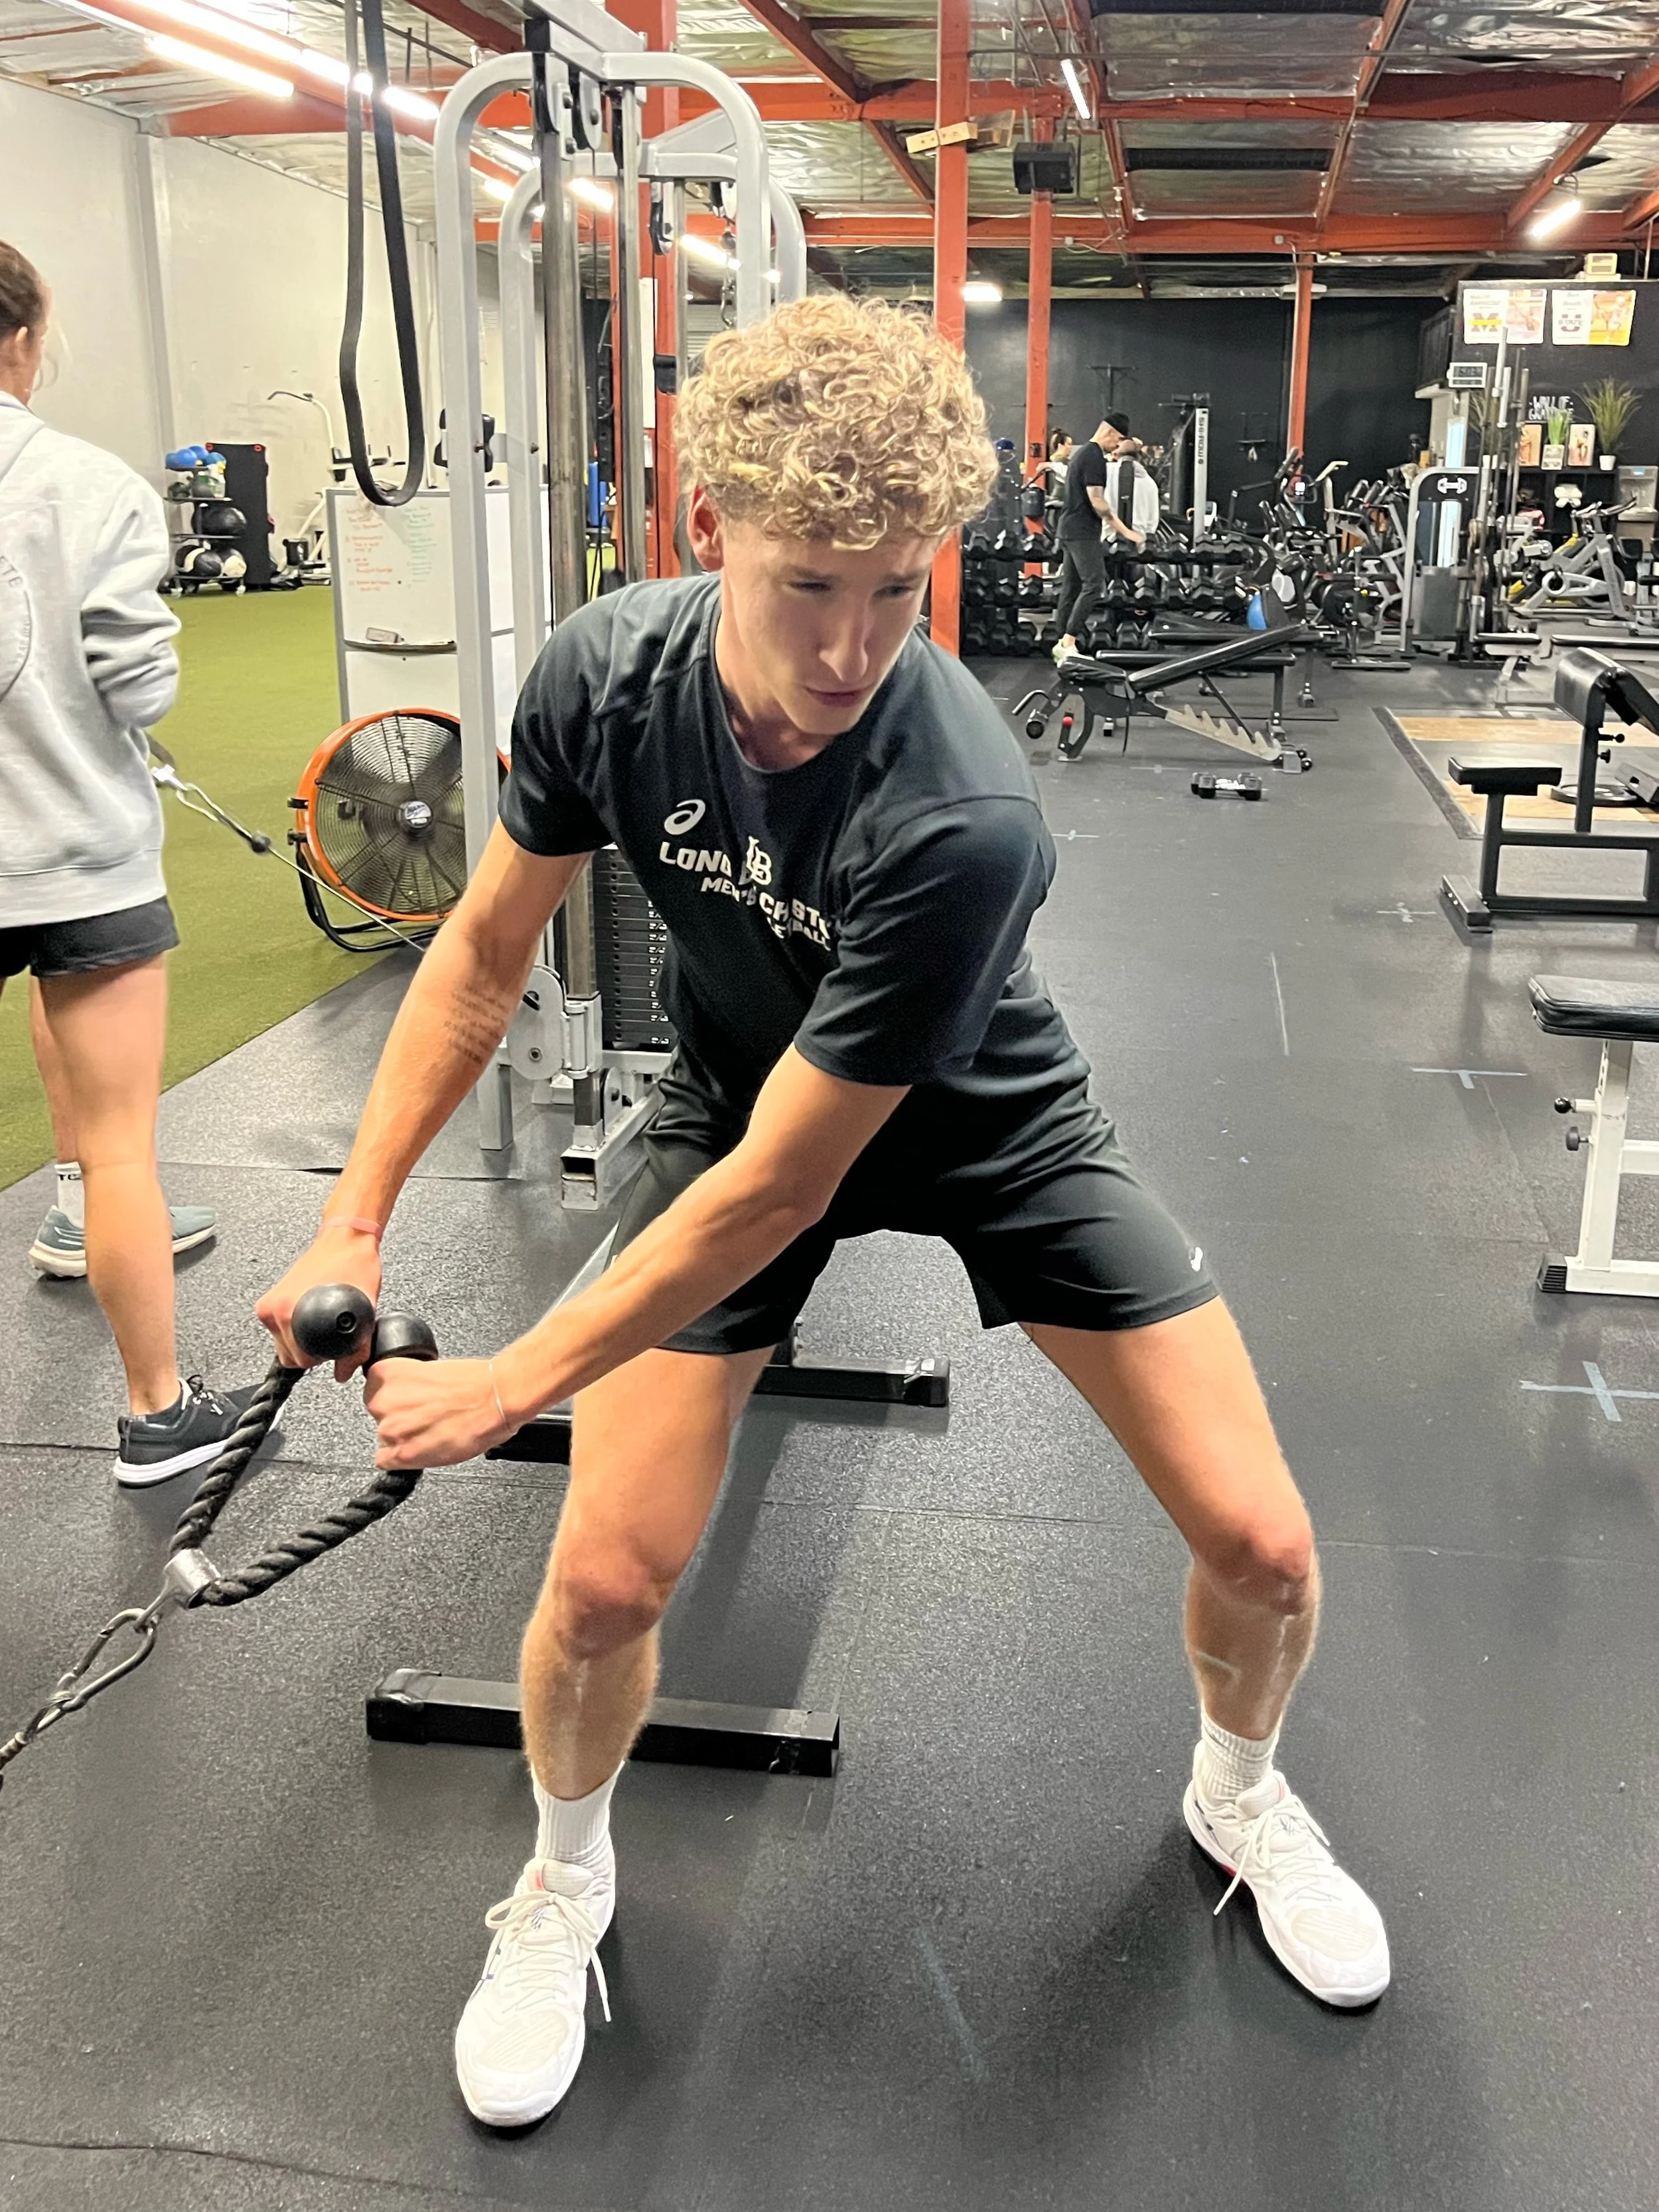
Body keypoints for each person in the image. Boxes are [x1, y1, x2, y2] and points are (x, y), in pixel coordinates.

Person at [258, 295, 1390, 2130]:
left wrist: (509, 1377)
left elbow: (800, 1181)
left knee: (1264, 1541)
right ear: (710, 534)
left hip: (984, 1120)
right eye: (809, 584)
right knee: (609, 1572)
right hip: (724, 1097)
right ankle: (561, 1876)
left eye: (897, 588)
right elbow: (476, 959)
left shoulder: (960, 808)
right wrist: (352, 1224)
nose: (855, 642)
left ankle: (1237, 1789)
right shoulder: (597, 681)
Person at [0, 240, 252, 1484]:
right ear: (21, 342)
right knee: (122, 1148)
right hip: (79, 862)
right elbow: (137, 675)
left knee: (97, 1153)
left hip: (60, 856)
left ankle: (65, 1217)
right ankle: (160, 1413)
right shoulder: (85, 482)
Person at [1052, 411, 1146, 662]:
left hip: (1070, 529)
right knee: (1095, 585)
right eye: (1117, 441)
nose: (1117, 447)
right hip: (1082, 532)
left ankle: (1061, 643)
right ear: (1110, 432)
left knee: (1071, 587)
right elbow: (1098, 502)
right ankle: (1068, 642)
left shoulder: (1081, 454)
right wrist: (1128, 532)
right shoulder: (1093, 457)